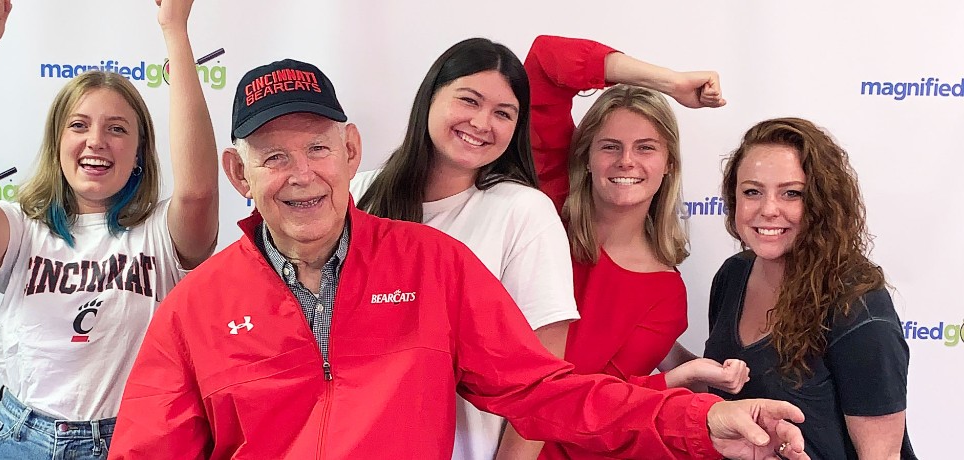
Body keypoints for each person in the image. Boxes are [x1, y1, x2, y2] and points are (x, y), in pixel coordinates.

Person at [106, 58, 811, 460]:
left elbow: (544, 392)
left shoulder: (431, 265)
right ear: (239, 173)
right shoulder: (194, 306)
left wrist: (698, 421)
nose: (301, 173)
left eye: (319, 148)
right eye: (275, 157)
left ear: (351, 152)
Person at [0, 0, 219, 457]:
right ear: (57, 143)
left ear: (140, 153)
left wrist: (175, 30)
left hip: (129, 438)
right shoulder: (23, 231)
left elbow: (200, 193)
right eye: (79, 125)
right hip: (18, 438)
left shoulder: (161, 234)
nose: (96, 140)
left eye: (117, 129)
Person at [525, 34, 752, 459]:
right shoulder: (547, 201)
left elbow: (601, 408)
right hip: (460, 428)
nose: (626, 161)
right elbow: (543, 61)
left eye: (645, 147)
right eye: (610, 146)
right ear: (586, 157)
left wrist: (683, 377)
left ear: (668, 164)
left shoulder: (664, 294)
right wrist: (669, 83)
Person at [351, 38, 579, 460]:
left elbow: (544, 386)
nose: (481, 122)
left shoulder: (523, 212)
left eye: (503, 113)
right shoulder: (358, 192)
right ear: (430, 97)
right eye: (469, 100)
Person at [703, 117, 917, 459]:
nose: (768, 209)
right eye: (752, 192)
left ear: (821, 202)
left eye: (791, 193)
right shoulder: (733, 274)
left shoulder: (857, 305)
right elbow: (723, 392)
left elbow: (882, 455)